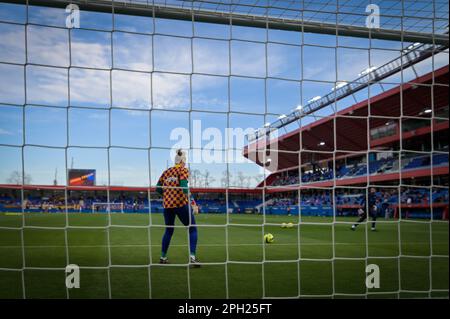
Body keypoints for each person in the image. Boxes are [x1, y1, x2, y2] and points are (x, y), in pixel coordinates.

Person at [156, 149, 200, 267]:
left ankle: (163, 257)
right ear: (183, 161)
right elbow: (184, 188)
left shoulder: (166, 172)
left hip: (167, 206)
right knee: (192, 229)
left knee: (169, 230)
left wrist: (168, 195)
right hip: (181, 204)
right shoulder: (183, 170)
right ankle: (192, 257)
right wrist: (192, 202)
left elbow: (158, 189)